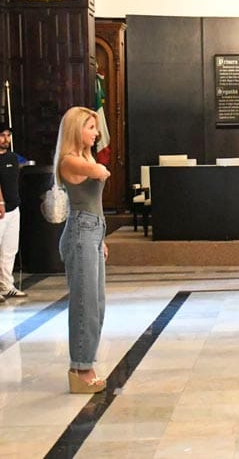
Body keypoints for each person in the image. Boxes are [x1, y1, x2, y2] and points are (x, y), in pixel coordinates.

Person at [54, 107, 111, 393]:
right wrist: (99, 168)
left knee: (97, 304)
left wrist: (102, 239)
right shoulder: (69, 161)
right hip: (80, 231)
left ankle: (85, 362)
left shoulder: (84, 157)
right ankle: (81, 368)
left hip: (93, 231)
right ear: (76, 130)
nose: (97, 133)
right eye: (91, 127)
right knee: (85, 304)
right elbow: (100, 171)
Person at [0, 123, 27, 302]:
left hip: (13, 207)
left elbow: (25, 163)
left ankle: (6, 285)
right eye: (2, 135)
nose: (6, 139)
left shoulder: (12, 157)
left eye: (8, 135)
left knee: (10, 249)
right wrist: (0, 202)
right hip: (1, 209)